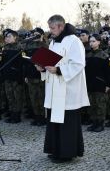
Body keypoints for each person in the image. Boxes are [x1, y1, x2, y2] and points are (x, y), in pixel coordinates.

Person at [36, 15, 89, 163]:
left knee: (67, 122)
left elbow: (78, 64)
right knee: (54, 120)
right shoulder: (53, 42)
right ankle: (55, 150)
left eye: (52, 28)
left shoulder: (74, 41)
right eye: (50, 28)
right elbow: (50, 63)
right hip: (54, 88)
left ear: (60, 26)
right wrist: (42, 68)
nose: (50, 31)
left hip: (67, 89)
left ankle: (66, 153)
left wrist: (59, 70)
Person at [85, 34, 110, 132]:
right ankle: (94, 123)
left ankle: (100, 124)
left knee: (100, 105)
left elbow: (109, 72)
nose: (91, 43)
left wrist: (108, 85)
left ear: (98, 42)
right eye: (90, 41)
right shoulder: (87, 55)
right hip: (90, 84)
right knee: (92, 105)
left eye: (93, 41)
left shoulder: (104, 55)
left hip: (100, 84)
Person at [23, 27, 48, 126]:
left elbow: (48, 63)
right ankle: (37, 117)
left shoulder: (45, 46)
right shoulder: (29, 46)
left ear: (41, 35)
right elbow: (25, 62)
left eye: (37, 34)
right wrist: (25, 75)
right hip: (30, 76)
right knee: (33, 98)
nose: (35, 36)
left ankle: (43, 118)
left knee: (41, 98)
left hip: (41, 76)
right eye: (34, 34)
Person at [0, 29, 23, 123]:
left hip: (16, 77)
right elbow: (2, 63)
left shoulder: (19, 48)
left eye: (9, 36)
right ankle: (12, 114)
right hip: (7, 76)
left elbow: (22, 64)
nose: (7, 38)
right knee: (9, 97)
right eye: (6, 37)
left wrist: (20, 77)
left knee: (17, 97)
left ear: (15, 37)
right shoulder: (5, 48)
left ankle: (17, 116)